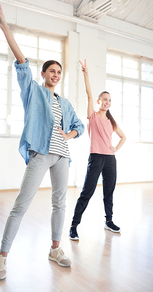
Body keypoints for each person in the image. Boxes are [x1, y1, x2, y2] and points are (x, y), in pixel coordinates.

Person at [0, 4, 84, 280]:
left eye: (59, 72)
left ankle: (55, 249)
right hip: (40, 154)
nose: (55, 74)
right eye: (51, 71)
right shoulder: (33, 92)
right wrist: (5, 27)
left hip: (62, 157)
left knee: (60, 204)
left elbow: (79, 126)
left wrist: (68, 135)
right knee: (21, 204)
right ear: (43, 74)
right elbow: (22, 61)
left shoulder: (64, 103)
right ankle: (2, 257)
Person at [69, 59, 126, 241]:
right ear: (99, 101)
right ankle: (74, 225)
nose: (107, 102)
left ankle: (109, 221)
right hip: (96, 158)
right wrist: (86, 74)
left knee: (108, 192)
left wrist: (115, 148)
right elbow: (88, 94)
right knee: (87, 192)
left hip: (110, 160)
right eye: (104, 99)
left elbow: (123, 137)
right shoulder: (93, 116)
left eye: (109, 100)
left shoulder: (112, 121)